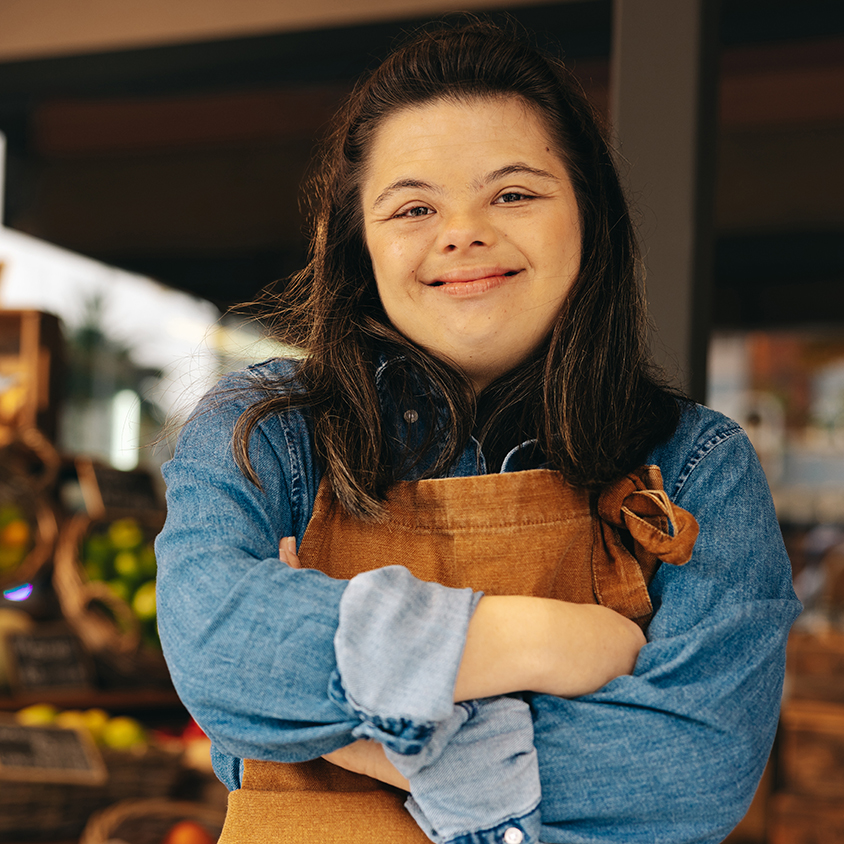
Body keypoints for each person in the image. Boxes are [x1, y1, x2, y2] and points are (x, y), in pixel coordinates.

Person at [155, 19, 801, 844]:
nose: (461, 232)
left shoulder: (696, 463)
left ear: (589, 217)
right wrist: (536, 640)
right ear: (362, 243)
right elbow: (218, 652)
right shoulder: (269, 433)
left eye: (514, 193)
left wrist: (361, 738)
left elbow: (694, 766)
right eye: (414, 206)